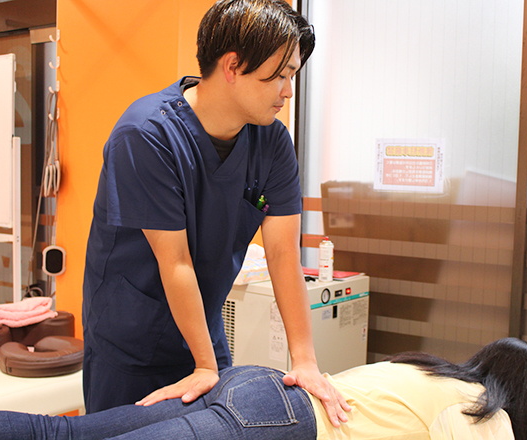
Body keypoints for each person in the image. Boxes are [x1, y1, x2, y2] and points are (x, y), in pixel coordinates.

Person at [80, 0, 349, 426]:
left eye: (292, 75)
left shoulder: (272, 142)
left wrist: (305, 361)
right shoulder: (146, 135)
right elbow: (176, 262)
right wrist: (204, 366)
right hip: (130, 342)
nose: (288, 91)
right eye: (278, 75)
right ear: (233, 66)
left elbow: (282, 255)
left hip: (204, 332)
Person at [0, 338, 527, 440]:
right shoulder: (483, 414)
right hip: (276, 423)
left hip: (257, 384)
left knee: (59, 433)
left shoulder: (429, 371)